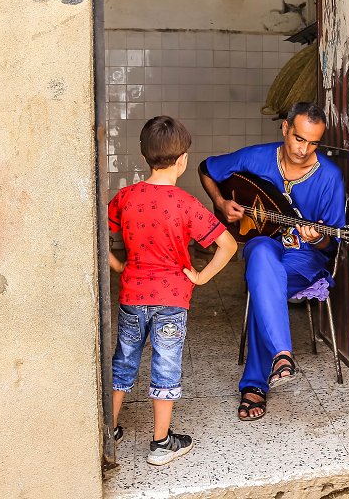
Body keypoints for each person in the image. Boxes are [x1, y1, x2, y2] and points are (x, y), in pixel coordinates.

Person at [198, 102, 346, 421]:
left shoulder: (329, 177)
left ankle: (255, 384)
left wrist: (314, 237)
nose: (304, 149)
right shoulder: (257, 157)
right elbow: (206, 169)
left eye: (313, 143)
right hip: (264, 245)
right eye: (298, 138)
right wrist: (221, 202)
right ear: (285, 129)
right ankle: (282, 353)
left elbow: (329, 242)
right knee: (262, 254)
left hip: (304, 260)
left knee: (264, 281)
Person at [108, 115, 237, 466]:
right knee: (165, 365)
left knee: (123, 363)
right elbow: (227, 245)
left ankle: (109, 430)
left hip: (132, 297)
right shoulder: (186, 204)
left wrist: (117, 265)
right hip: (171, 301)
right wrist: (201, 277)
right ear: (183, 160)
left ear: (143, 156)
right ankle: (161, 443)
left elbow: (94, 231)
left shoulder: (126, 197)